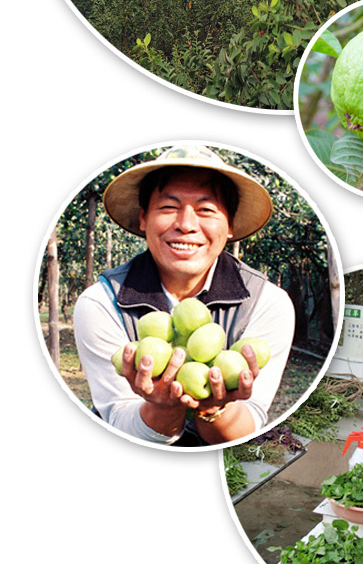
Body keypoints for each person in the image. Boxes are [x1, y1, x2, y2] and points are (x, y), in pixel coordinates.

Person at [73, 145, 296, 447]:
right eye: (168, 208)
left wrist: (214, 410)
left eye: (206, 210)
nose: (186, 224)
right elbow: (118, 421)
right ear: (143, 218)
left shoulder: (268, 302)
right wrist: (163, 410)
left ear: (230, 224)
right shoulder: (100, 303)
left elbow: (248, 426)